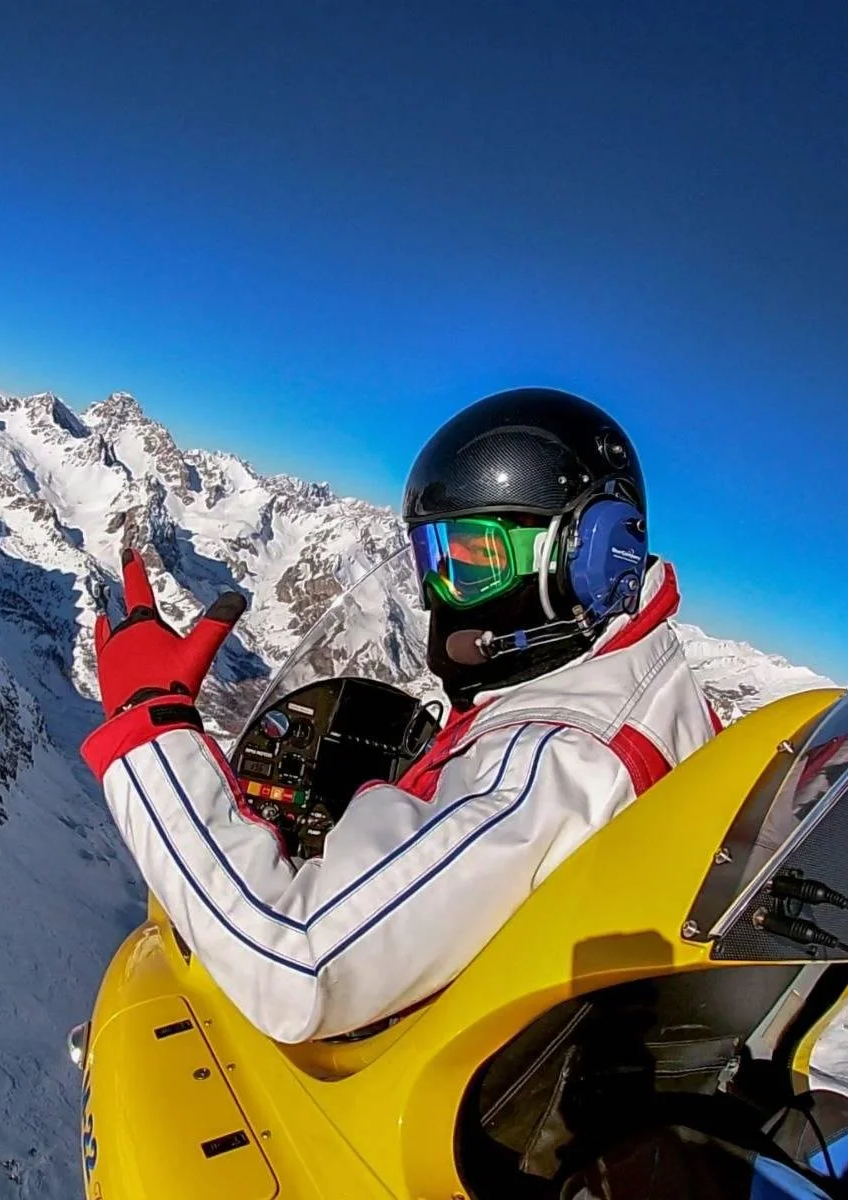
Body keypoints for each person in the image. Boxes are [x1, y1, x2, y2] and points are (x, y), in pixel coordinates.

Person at [79, 387, 718, 1043]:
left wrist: (149, 729)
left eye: (472, 563)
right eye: (433, 561)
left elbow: (296, 964)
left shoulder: (561, 759)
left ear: (588, 559)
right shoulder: (641, 683)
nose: (441, 598)